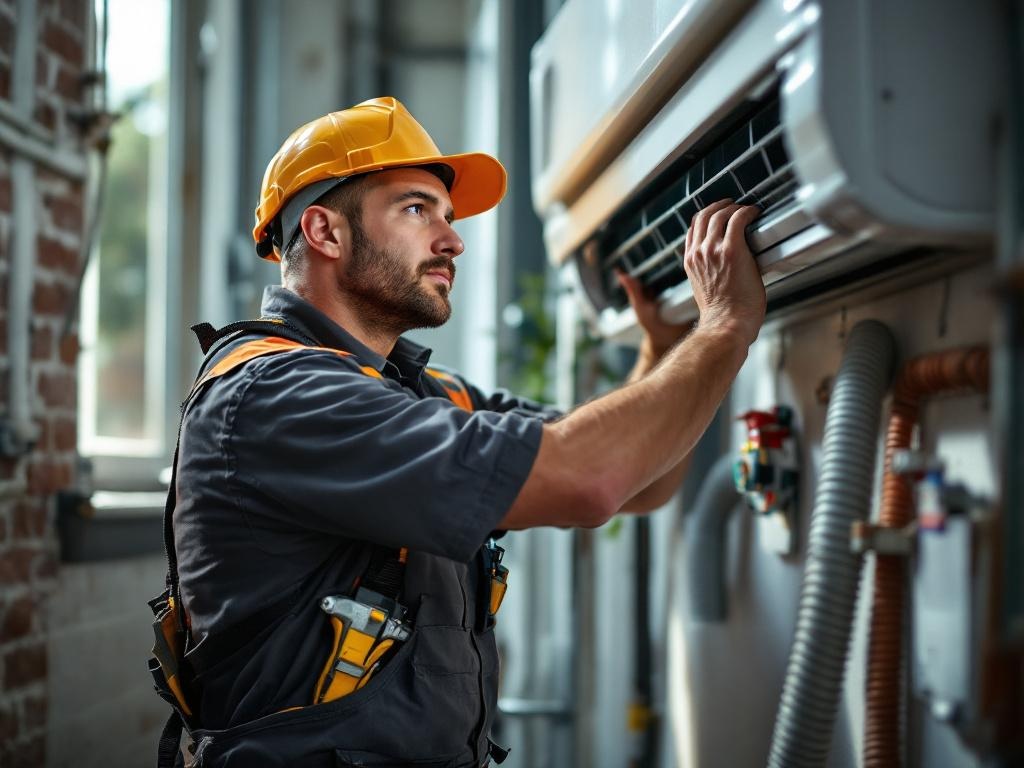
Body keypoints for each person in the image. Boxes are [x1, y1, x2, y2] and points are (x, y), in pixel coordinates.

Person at [152, 96, 764, 768]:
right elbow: (592, 480)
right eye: (417, 209)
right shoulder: (278, 398)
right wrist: (725, 328)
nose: (453, 240)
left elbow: (636, 481)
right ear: (324, 232)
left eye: (447, 215)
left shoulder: (423, 395)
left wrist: (668, 345)